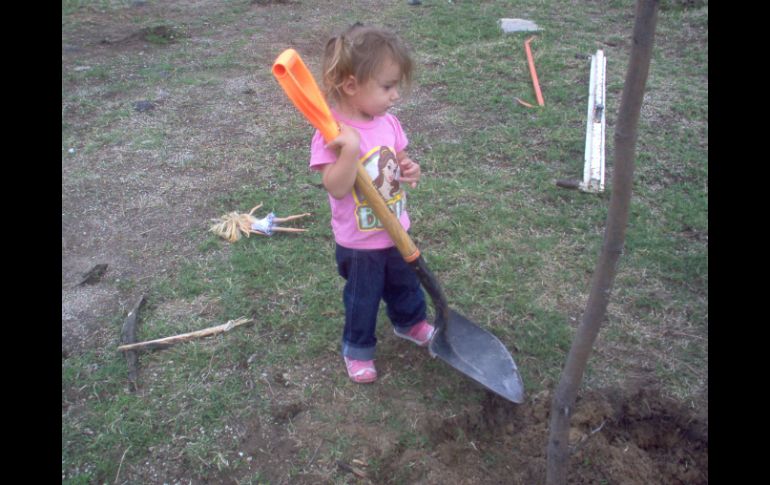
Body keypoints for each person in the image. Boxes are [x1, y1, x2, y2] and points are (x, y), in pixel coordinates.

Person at [308, 24, 434, 384]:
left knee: (405, 284)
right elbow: (335, 186)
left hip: (396, 228)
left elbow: (400, 160)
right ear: (351, 85)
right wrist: (349, 150)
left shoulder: (388, 122)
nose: (395, 95)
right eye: (387, 86)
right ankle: (358, 348)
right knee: (363, 298)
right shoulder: (332, 133)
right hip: (360, 242)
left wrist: (410, 169)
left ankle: (410, 322)